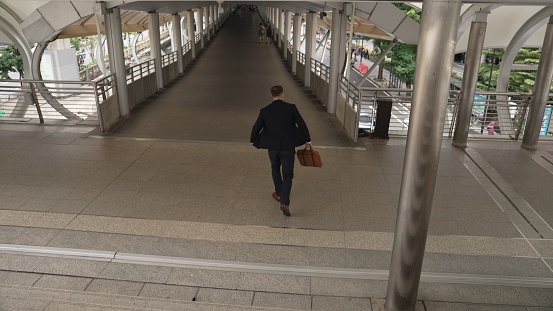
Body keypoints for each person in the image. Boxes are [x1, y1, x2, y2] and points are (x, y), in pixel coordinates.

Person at [250, 85, 312, 217]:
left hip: (273, 148)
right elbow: (301, 124)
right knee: (288, 175)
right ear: (282, 95)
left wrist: (253, 138)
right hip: (288, 147)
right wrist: (307, 140)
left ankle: (279, 193)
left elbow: (257, 127)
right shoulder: (291, 108)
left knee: (274, 168)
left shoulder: (265, 110)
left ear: (272, 95)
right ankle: (285, 202)